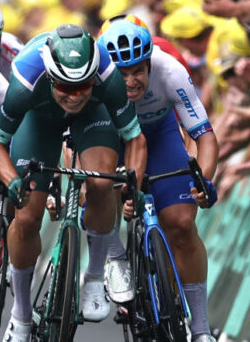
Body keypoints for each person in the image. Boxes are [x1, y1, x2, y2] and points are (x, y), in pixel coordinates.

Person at [0, 24, 147, 341]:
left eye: (82, 86)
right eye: (65, 87)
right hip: (40, 119)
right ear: (49, 76)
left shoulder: (107, 75)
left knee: (101, 184)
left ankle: (96, 277)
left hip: (93, 115)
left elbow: (135, 139)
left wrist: (133, 184)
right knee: (27, 217)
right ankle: (21, 315)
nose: (74, 96)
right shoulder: (25, 79)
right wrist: (11, 180)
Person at [97, 18, 219, 342]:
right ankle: (116, 255)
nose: (131, 81)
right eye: (121, 74)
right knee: (98, 190)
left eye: (138, 70)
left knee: (180, 224)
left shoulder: (170, 71)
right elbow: (82, 151)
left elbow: (205, 136)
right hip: (115, 140)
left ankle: (201, 330)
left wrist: (202, 182)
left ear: (150, 62)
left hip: (159, 135)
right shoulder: (95, 82)